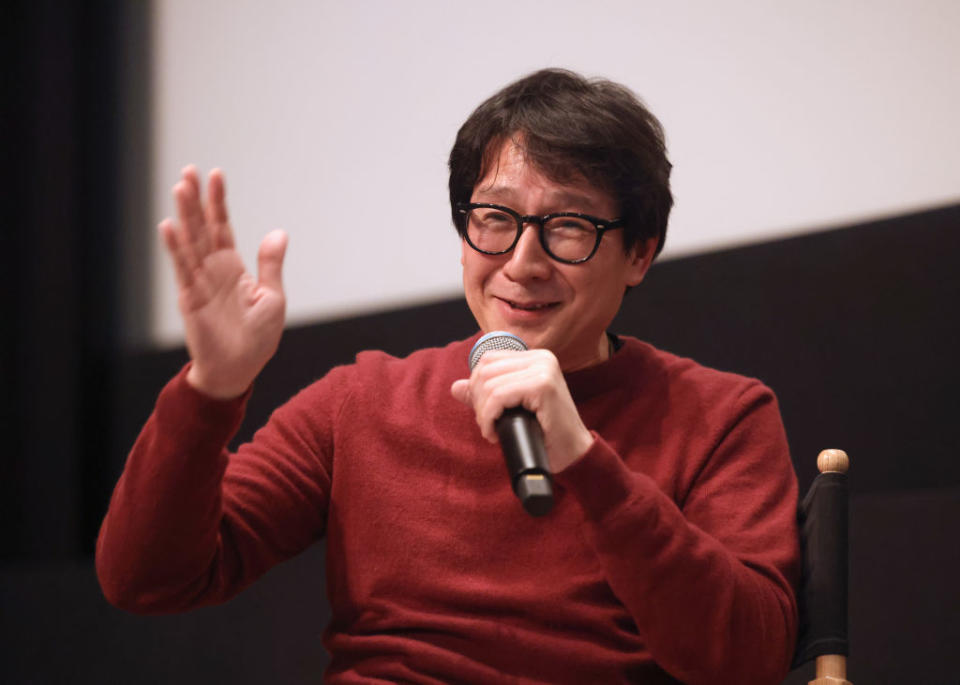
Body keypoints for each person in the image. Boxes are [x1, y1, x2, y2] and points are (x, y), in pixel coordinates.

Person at [97, 69, 800, 684]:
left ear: (640, 253)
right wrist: (211, 389)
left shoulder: (721, 414)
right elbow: (145, 577)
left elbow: (749, 657)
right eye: (495, 218)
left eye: (568, 226)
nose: (522, 260)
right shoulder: (362, 401)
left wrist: (586, 461)